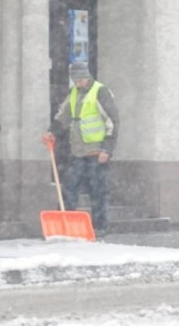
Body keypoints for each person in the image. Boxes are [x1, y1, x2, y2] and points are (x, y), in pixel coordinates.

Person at [49, 62, 120, 238]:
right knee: (69, 188)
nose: (77, 83)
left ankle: (99, 227)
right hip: (78, 151)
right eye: (75, 80)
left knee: (98, 190)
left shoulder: (100, 92)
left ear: (86, 77)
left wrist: (107, 149)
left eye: (79, 79)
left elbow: (112, 121)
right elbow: (64, 115)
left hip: (96, 151)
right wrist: (52, 131)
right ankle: (63, 223)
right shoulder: (74, 93)